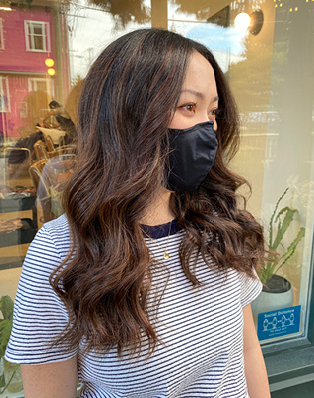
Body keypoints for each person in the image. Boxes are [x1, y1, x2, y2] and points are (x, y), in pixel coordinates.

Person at [5, 28, 270, 398]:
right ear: (126, 115)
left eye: (212, 111)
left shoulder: (218, 224)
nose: (208, 128)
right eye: (188, 107)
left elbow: (246, 351)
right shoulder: (60, 253)